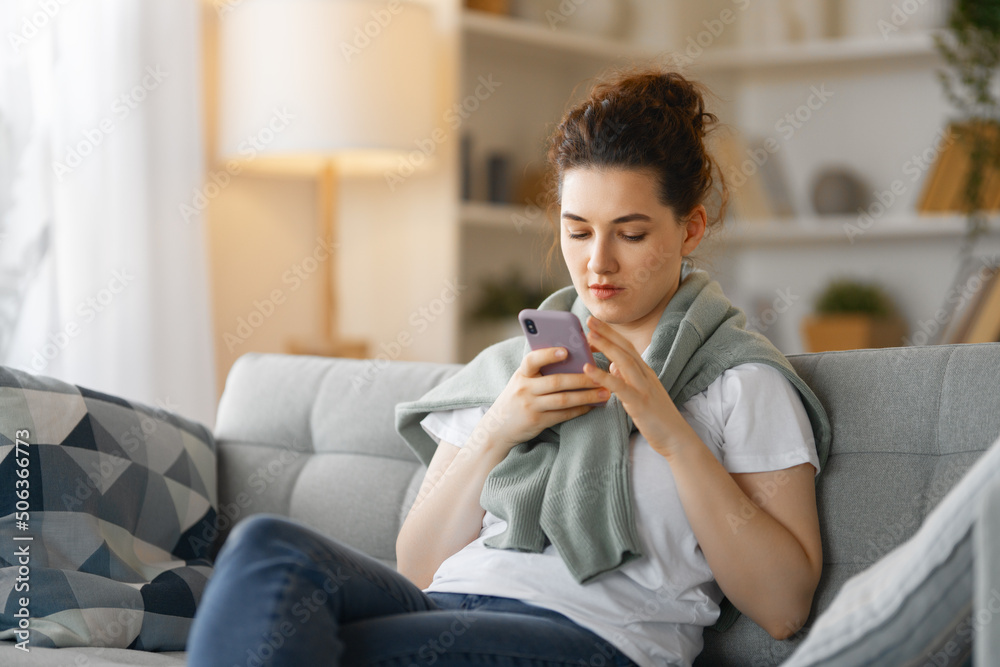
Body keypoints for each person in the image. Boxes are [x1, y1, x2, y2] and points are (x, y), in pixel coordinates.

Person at [186, 65, 830, 667]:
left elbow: (783, 607)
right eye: (578, 231)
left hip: (592, 637)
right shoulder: (511, 371)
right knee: (264, 547)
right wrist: (500, 427)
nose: (598, 262)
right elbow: (417, 567)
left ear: (690, 230)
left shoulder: (739, 380)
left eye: (630, 234)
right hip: (442, 605)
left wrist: (670, 433)